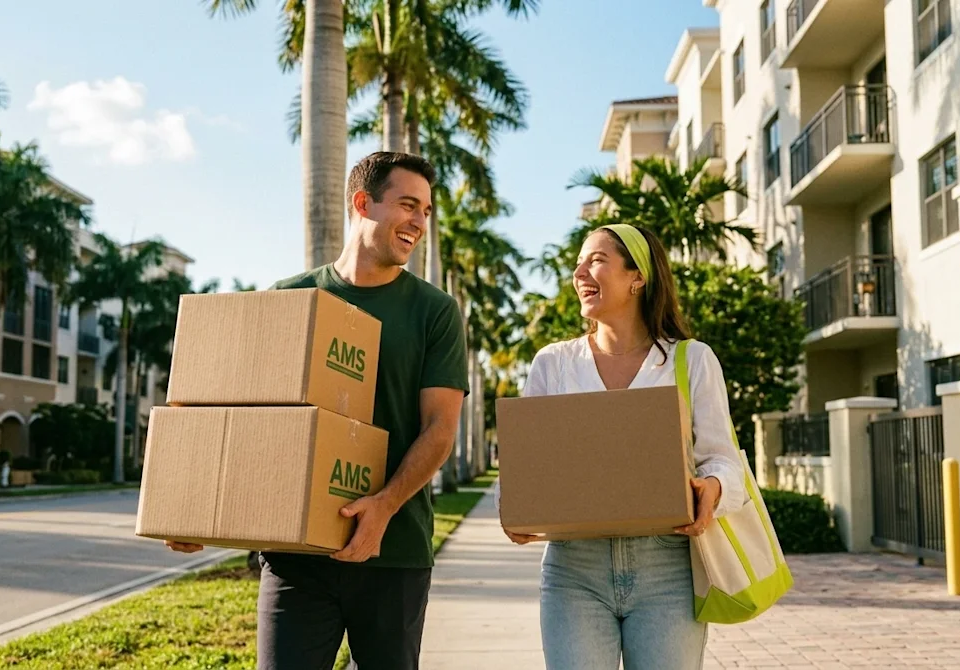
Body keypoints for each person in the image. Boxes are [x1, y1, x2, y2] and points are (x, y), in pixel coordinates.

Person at [168, 151, 469, 670]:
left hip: (392, 552)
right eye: (407, 205)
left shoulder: (434, 312)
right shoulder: (292, 297)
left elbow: (440, 428)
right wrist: (196, 508)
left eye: (426, 210)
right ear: (362, 203)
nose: (420, 222)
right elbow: (246, 418)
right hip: (296, 558)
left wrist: (384, 506)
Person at [499, 223, 745, 670]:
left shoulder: (691, 360)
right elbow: (525, 464)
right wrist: (513, 507)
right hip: (574, 570)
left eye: (595, 260)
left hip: (667, 569)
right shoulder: (553, 364)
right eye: (578, 262)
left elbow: (724, 460)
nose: (579, 272)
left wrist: (712, 488)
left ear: (638, 277)